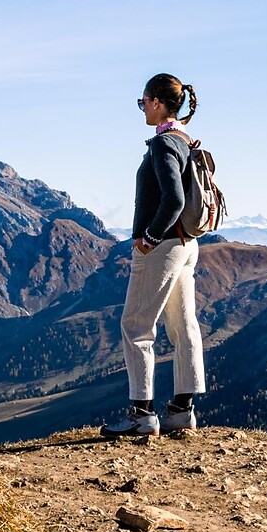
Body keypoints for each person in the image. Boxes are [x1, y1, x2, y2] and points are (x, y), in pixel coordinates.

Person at [102, 74, 206, 438]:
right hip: (187, 244)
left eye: (143, 101)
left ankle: (142, 414)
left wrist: (148, 237)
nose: (142, 107)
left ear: (159, 102)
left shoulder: (163, 145)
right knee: (183, 323)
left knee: (136, 325)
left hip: (162, 247)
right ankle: (182, 409)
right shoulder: (184, 140)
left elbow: (174, 199)